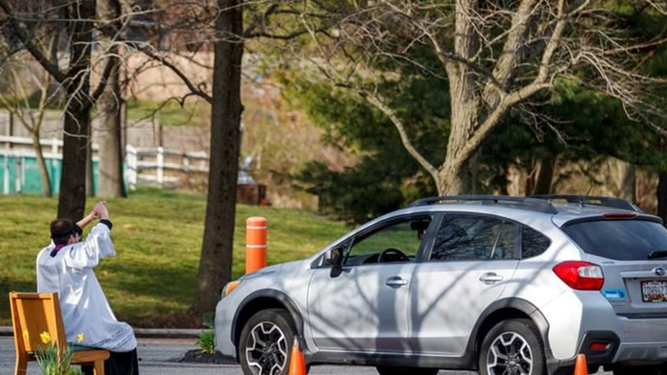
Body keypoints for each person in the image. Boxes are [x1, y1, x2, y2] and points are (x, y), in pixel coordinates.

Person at [37, 201, 139, 375]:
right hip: (76, 332)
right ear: (71, 239)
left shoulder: (45, 256)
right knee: (125, 335)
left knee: (113, 336)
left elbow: (61, 235)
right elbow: (96, 241)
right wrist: (105, 217)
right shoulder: (73, 255)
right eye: (76, 237)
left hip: (51, 333)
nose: (79, 239)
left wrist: (90, 218)